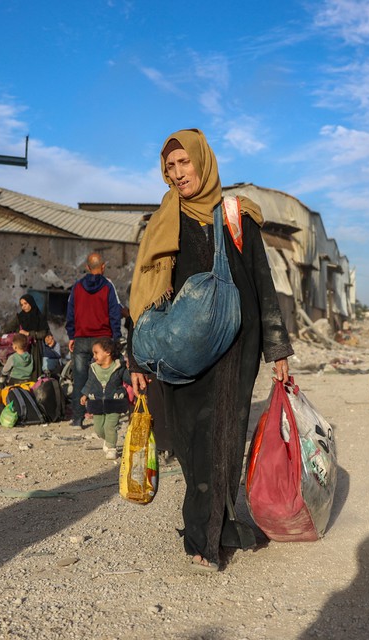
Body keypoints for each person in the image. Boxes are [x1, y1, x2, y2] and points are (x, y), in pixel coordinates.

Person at [129, 129, 293, 572]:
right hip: (179, 352)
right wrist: (137, 359)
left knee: (222, 438)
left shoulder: (237, 216)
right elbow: (145, 295)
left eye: (185, 163)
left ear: (204, 161)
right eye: (170, 167)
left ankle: (207, 538)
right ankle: (213, 524)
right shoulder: (163, 220)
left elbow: (262, 282)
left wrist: (278, 350)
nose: (179, 174)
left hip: (234, 348)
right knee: (188, 441)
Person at [66, 253, 122, 428]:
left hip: (81, 339)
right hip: (103, 339)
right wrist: (116, 337)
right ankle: (104, 415)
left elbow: (70, 313)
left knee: (80, 378)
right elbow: (115, 312)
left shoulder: (77, 287)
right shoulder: (107, 286)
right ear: (103, 267)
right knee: (106, 378)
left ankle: (77, 418)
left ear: (87, 267)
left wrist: (71, 335)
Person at [80, 337, 133, 460]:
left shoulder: (119, 367)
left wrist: (134, 375)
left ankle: (112, 448)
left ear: (107, 352)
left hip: (115, 401)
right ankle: (108, 440)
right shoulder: (93, 368)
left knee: (110, 426)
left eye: (96, 352)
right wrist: (85, 394)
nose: (94, 356)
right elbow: (90, 382)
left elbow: (128, 379)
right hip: (97, 401)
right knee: (99, 429)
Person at [3, 294, 50, 379]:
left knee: (34, 374)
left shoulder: (40, 317)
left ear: (31, 303)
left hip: (35, 349)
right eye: (22, 305)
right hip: (22, 349)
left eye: (26, 303)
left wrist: (29, 333)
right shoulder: (20, 317)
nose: (24, 306)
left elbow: (43, 333)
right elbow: (8, 328)